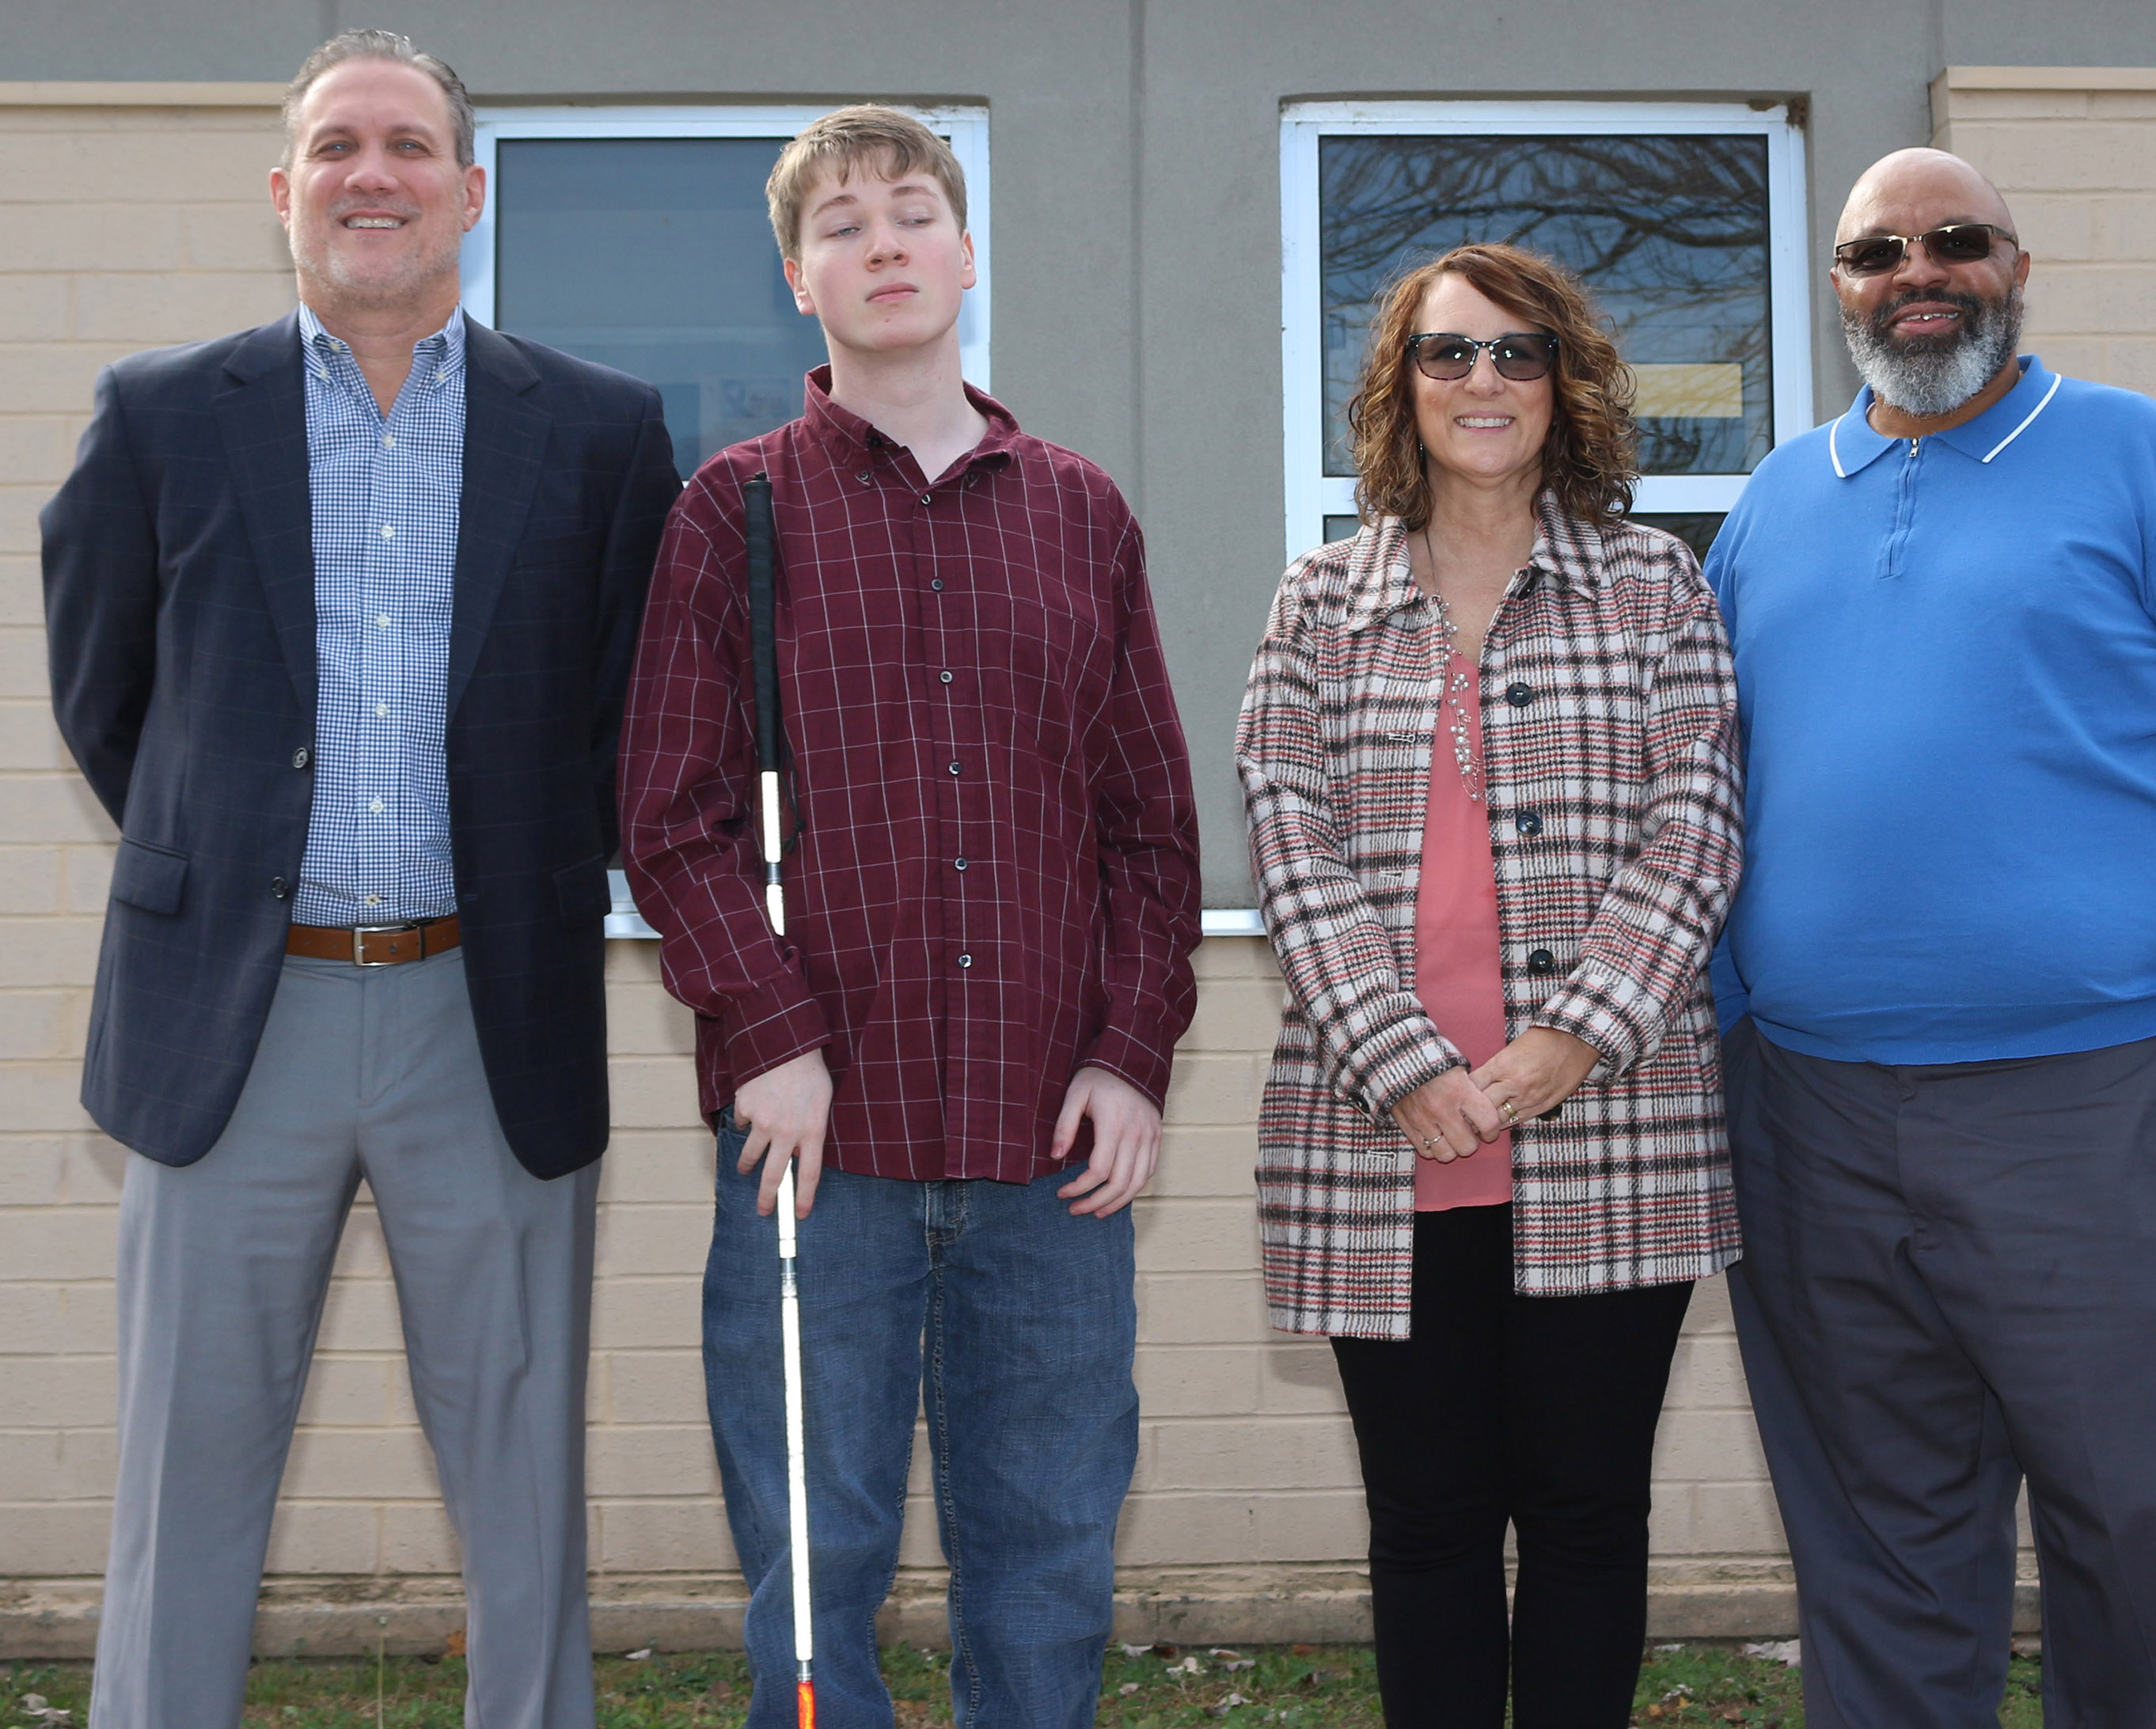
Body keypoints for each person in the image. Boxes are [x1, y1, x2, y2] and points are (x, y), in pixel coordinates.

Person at [40, 28, 680, 1729]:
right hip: (234, 1027)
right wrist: (238, 856)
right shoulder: (166, 415)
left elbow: (635, 719)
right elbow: (108, 703)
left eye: (407, 144)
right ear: (283, 192)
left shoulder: (605, 433)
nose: (371, 173)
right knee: (185, 1477)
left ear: (469, 192)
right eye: (335, 147)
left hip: (494, 1012)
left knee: (523, 1480)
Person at [1707, 147, 2156, 1727]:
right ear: (1838, 283)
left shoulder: (2140, 457)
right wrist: (1727, 1030)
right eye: (1877, 251)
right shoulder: (1775, 504)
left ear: (2018, 262)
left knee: (2135, 1543)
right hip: (1816, 1121)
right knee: (1875, 1556)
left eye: (1958, 239)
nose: (1919, 271)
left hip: (2109, 1107)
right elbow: (1705, 793)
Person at [617, 106, 1201, 1729]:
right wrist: (771, 1034)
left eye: (913, 214)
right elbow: (672, 815)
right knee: (816, 1568)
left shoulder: (1081, 512)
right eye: (844, 226)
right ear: (799, 278)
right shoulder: (732, 513)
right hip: (821, 1151)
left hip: (1048, 1152)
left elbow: (1153, 826)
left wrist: (1132, 1053)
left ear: (964, 251)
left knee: (1047, 1561)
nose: (883, 245)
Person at [1236, 241, 1744, 1728]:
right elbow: (1288, 837)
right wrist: (1402, 1059)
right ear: (1401, 387)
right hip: (1383, 1135)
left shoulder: (1653, 585)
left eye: (1518, 354)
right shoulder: (1319, 600)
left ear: (1565, 383)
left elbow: (1697, 822)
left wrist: (1573, 1039)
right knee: (1430, 1526)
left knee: (1588, 1517)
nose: (1484, 382)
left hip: (1611, 1126)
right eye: (1448, 354)